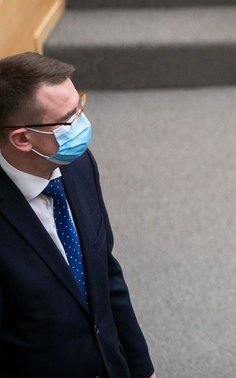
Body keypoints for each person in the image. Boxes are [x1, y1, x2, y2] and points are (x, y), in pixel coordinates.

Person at [0, 52, 156, 378]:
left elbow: (106, 274)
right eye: (69, 118)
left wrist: (142, 368)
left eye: (79, 106)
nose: (82, 123)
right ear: (22, 138)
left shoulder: (79, 165)